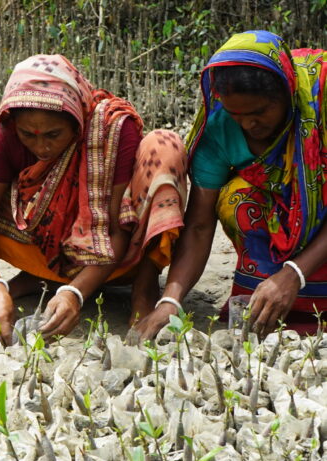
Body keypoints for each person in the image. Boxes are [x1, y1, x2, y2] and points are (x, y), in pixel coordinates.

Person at [0, 54, 187, 345]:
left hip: (119, 256)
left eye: (54, 134)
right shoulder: (4, 133)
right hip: (40, 246)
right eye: (29, 135)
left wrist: (75, 293)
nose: (42, 146)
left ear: (78, 119)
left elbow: (117, 231)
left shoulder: (111, 129)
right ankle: (44, 274)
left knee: (165, 147)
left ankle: (144, 285)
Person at [137, 30, 327, 339]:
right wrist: (170, 301)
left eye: (259, 112)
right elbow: (199, 225)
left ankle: (297, 287)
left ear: (287, 91)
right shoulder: (219, 128)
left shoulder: (321, 101)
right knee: (235, 198)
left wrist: (294, 273)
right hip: (277, 224)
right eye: (236, 114)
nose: (248, 124)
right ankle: (269, 292)